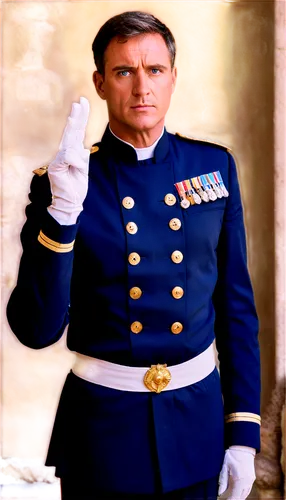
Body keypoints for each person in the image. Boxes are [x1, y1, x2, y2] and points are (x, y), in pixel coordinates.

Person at [6, 10, 261, 500]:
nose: (142, 88)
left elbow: (236, 312)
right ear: (101, 84)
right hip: (104, 434)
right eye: (124, 72)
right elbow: (36, 331)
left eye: (155, 71)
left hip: (197, 428)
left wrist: (243, 433)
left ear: (173, 77)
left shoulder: (214, 167)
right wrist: (62, 214)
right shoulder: (65, 182)